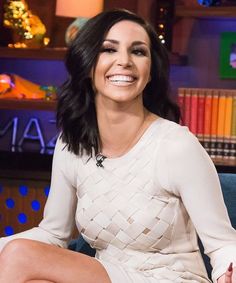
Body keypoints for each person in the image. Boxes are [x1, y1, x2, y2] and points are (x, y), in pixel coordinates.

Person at [0, 8, 235, 283]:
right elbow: (53, 234)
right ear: (88, 64)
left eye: (138, 51)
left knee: (20, 256)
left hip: (171, 279)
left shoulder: (176, 145)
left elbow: (223, 244)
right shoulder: (71, 144)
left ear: (150, 72)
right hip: (110, 275)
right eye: (109, 50)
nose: (124, 61)